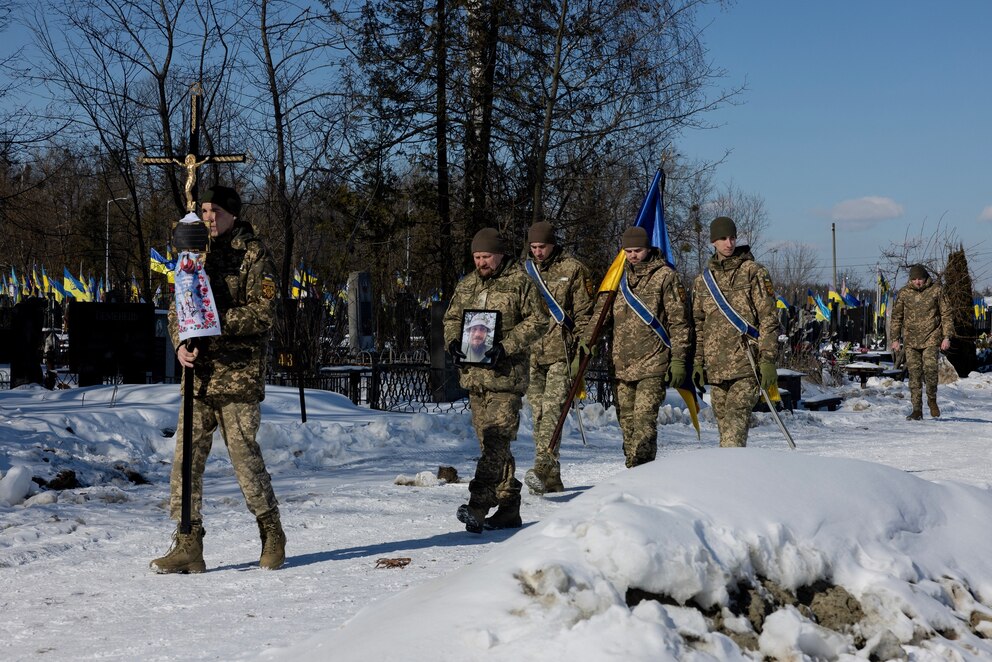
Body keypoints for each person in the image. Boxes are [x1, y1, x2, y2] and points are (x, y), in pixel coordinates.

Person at [151, 185, 286, 573]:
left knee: (244, 459)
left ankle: (271, 531)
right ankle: (188, 542)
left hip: (237, 377)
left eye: (215, 212)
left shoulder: (254, 254)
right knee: (185, 461)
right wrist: (180, 341)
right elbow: (178, 305)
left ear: (231, 213)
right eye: (204, 211)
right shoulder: (194, 253)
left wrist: (211, 323)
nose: (208, 218)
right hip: (199, 375)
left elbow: (263, 314)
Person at [444, 227, 547, 533]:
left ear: (500, 254)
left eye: (486, 256)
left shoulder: (520, 283)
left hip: (505, 378)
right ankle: (509, 508)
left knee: (495, 443)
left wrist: (507, 345)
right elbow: (451, 319)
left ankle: (477, 505)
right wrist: (453, 342)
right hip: (475, 379)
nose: (481, 262)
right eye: (476, 257)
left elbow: (538, 320)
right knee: (492, 447)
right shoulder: (467, 286)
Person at [584, 226, 690, 468]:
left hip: (653, 362)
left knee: (644, 422)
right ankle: (634, 471)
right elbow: (600, 316)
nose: (632, 255)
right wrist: (587, 343)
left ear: (648, 249)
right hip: (621, 365)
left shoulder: (665, 276)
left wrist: (678, 359)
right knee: (627, 424)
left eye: (638, 250)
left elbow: (679, 322)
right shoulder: (617, 279)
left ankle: (641, 474)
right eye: (628, 251)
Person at [691, 216, 779, 448]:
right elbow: (699, 325)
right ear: (713, 242)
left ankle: (731, 480)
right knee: (725, 434)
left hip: (746, 365)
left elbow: (769, 319)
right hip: (717, 370)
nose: (729, 243)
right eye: (722, 238)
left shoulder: (753, 272)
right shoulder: (702, 282)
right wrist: (698, 362)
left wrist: (768, 359)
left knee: (733, 435)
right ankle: (734, 480)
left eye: (732, 237)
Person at [522, 221, 595, 493]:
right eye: (533, 247)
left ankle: (541, 467)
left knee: (554, 410)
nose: (538, 252)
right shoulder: (524, 272)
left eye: (542, 246)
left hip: (561, 353)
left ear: (552, 244)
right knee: (538, 413)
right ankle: (553, 477)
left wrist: (581, 350)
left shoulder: (574, 269)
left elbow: (585, 314)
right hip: (531, 353)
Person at [890, 264, 953, 420]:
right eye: (915, 279)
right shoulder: (904, 293)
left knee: (931, 369)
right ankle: (917, 409)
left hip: (931, 337)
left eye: (920, 279)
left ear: (926, 278)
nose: (918, 282)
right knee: (914, 375)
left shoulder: (936, 290)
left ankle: (931, 399)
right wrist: (895, 339)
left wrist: (947, 337)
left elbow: (946, 314)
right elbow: (897, 317)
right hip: (911, 340)